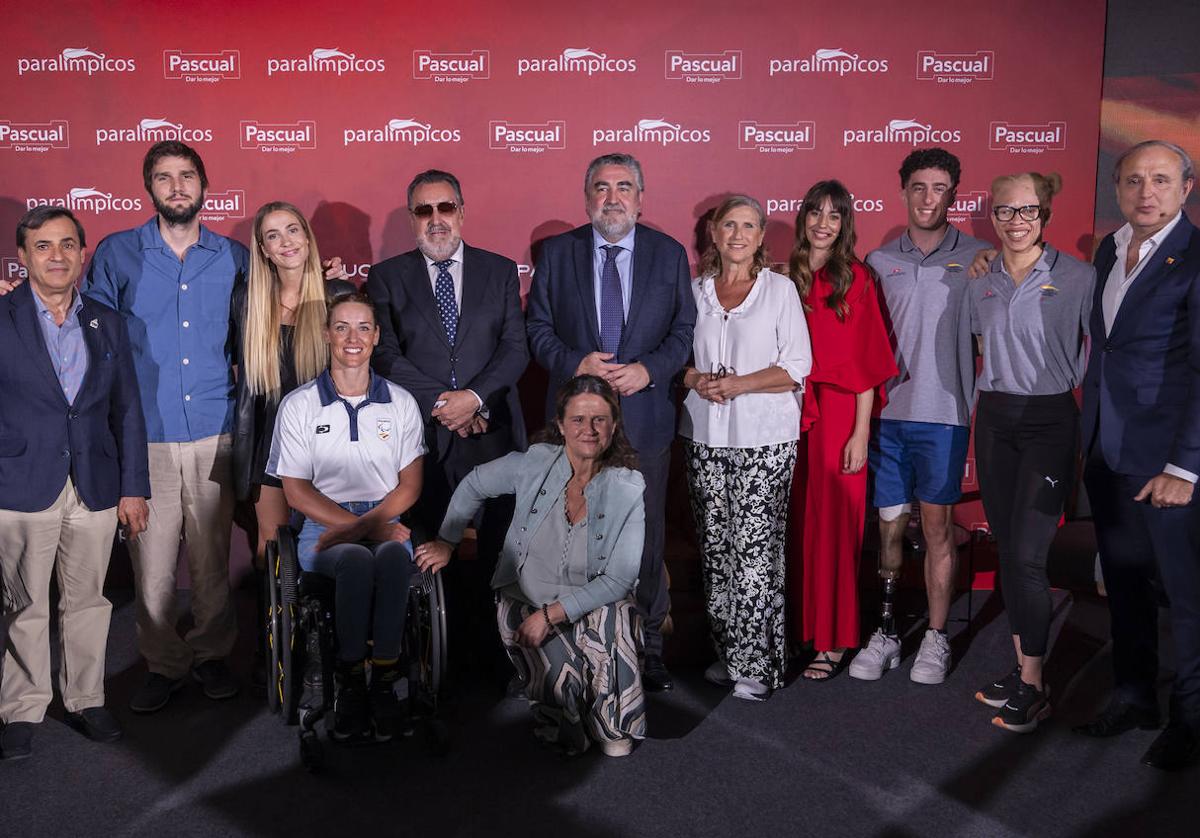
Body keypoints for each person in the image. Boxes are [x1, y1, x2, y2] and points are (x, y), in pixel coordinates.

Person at [82, 141, 247, 712]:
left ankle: (209, 655)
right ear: (148, 188)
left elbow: (268, 323)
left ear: (204, 184)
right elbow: (86, 335)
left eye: (186, 176)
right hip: (143, 434)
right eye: (163, 177)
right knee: (150, 569)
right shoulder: (116, 253)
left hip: (214, 428)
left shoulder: (234, 257)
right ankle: (164, 663)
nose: (176, 186)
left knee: (209, 562)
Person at [526, 153, 695, 691]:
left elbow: (684, 331)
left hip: (644, 420)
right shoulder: (557, 253)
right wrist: (575, 361)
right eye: (601, 187)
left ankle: (646, 651)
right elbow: (538, 328)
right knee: (570, 539)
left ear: (641, 199)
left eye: (624, 187)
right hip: (574, 428)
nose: (612, 197)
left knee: (643, 539)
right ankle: (573, 649)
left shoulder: (668, 256)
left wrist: (649, 370)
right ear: (587, 198)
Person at [417, 375, 646, 756]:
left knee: (616, 616)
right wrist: (447, 539)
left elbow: (620, 578)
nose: (588, 430)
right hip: (527, 601)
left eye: (599, 419)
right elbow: (474, 483)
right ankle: (568, 707)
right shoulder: (536, 462)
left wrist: (552, 615)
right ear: (560, 424)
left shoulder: (628, 487)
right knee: (566, 728)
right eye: (577, 419)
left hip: (589, 605)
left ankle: (613, 720)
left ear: (614, 426)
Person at [0, 207, 149, 760]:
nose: (56, 255)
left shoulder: (106, 321)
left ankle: (86, 698)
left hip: (95, 481)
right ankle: (22, 706)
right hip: (19, 482)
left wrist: (133, 486)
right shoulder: (2, 316)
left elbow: (127, 409)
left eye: (67, 244)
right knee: (24, 604)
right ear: (22, 256)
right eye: (43, 246)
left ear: (82, 253)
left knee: (88, 600)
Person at [366, 170, 527, 673]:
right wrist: (446, 403)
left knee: (501, 549)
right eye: (423, 211)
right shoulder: (387, 276)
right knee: (431, 547)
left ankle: (503, 658)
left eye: (445, 208)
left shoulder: (499, 270)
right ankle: (440, 660)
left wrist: (475, 399)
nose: (436, 220)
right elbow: (386, 355)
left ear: (462, 210)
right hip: (425, 438)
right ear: (413, 217)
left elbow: (515, 348)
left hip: (492, 432)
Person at [1074, 140, 1200, 770]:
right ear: (1118, 189)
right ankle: (1134, 696)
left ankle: (1192, 718)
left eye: (1159, 180)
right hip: (1109, 446)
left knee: (1186, 592)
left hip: (1169, 462)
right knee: (1125, 583)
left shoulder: (1196, 257)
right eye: (1132, 180)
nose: (1144, 192)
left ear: (1186, 188)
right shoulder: (1110, 246)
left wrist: (1186, 466)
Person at [850, 148, 987, 685]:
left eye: (940, 189)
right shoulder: (880, 262)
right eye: (919, 188)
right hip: (887, 417)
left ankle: (934, 637)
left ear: (953, 194)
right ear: (903, 191)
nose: (929, 198)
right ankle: (884, 633)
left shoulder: (980, 257)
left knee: (935, 529)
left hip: (944, 416)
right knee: (887, 532)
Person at [965, 172, 1094, 732]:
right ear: (992, 216)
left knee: (1028, 557)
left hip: (1049, 422)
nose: (1016, 222)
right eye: (1005, 212)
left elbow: (1103, 354)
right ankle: (1023, 671)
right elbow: (978, 345)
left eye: (1028, 212)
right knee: (1010, 547)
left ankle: (1035, 687)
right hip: (994, 420)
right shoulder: (979, 278)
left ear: (1045, 215)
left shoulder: (1079, 277)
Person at [268, 292, 429, 742]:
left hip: (386, 513)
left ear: (376, 337)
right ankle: (350, 682)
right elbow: (296, 491)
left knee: (395, 559)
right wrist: (357, 529)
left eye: (362, 328)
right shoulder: (299, 405)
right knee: (358, 560)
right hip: (323, 522)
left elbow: (410, 486)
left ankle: (382, 681)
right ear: (326, 335)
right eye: (341, 327)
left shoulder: (399, 403)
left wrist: (373, 524)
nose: (352, 338)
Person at [679, 195, 812, 700]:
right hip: (705, 438)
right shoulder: (695, 293)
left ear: (761, 237)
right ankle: (730, 654)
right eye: (728, 224)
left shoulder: (779, 290)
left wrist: (739, 385)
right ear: (713, 233)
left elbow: (796, 365)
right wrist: (696, 377)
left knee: (755, 554)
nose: (737, 234)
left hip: (764, 440)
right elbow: (678, 360)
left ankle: (760, 664)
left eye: (748, 226)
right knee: (717, 551)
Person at [788, 180, 897, 680]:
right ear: (803, 217)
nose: (823, 223)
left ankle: (832, 641)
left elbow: (868, 363)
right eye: (815, 212)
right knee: (793, 530)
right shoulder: (782, 275)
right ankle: (797, 632)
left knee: (835, 531)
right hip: (783, 414)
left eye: (834, 215)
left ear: (845, 223)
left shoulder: (856, 278)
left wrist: (859, 433)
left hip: (837, 419)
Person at [232, 201, 353, 567]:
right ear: (264, 250)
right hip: (269, 442)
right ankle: (274, 625)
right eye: (273, 235)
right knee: (270, 549)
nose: (286, 241)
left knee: (327, 542)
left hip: (327, 441)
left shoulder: (338, 295)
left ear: (307, 237)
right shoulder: (248, 302)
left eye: (292, 230)